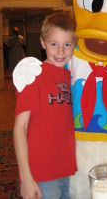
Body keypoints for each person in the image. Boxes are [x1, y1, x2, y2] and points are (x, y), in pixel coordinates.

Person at [13, 13, 77, 199]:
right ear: (43, 43)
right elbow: (20, 127)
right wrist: (26, 177)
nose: (60, 51)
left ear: (74, 45)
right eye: (53, 44)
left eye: (67, 44)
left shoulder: (69, 77)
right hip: (40, 174)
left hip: (66, 170)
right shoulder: (34, 75)